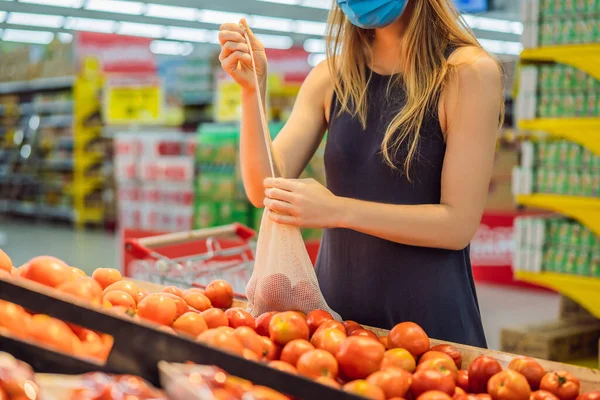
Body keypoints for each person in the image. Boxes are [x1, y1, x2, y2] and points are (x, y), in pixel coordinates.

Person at [218, 0, 503, 347]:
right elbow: (262, 188)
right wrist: (252, 92)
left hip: (428, 327)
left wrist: (337, 210)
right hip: (335, 320)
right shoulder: (331, 76)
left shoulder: (467, 73)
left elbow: (457, 225)